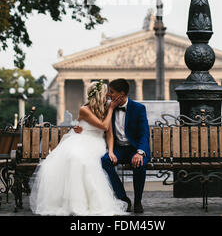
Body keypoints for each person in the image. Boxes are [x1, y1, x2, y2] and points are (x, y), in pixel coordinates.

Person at [29, 80, 128, 216]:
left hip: (96, 143)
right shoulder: (85, 109)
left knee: (85, 161)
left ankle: (91, 202)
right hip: (82, 140)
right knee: (75, 157)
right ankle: (74, 203)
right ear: (99, 95)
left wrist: (110, 151)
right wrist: (110, 109)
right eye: (106, 94)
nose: (108, 96)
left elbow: (109, 132)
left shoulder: (106, 108)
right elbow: (103, 126)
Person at [101, 79, 150, 214]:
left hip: (135, 149)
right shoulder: (109, 108)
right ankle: (123, 198)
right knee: (105, 161)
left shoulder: (138, 108)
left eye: (111, 92)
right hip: (119, 149)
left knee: (139, 164)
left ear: (121, 94)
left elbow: (144, 133)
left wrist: (140, 152)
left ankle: (138, 201)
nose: (109, 95)